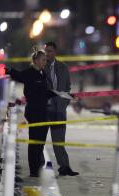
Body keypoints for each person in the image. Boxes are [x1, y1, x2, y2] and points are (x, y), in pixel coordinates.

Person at [6, 48, 53, 177]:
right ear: (36, 61)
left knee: (41, 141)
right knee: (34, 141)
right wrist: (8, 70)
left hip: (43, 111)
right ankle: (34, 171)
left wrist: (56, 94)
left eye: (46, 60)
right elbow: (18, 75)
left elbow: (43, 93)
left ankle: (39, 167)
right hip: (34, 112)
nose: (45, 62)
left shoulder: (43, 74)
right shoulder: (30, 73)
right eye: (43, 60)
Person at [44, 41, 79, 176]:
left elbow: (68, 87)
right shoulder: (41, 67)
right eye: (46, 51)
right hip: (45, 109)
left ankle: (64, 167)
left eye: (50, 51)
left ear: (55, 52)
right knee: (39, 141)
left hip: (59, 110)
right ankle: (37, 168)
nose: (48, 54)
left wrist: (64, 103)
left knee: (59, 141)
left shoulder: (63, 67)